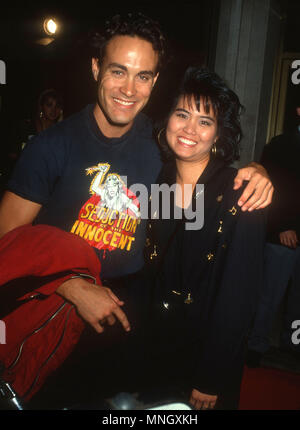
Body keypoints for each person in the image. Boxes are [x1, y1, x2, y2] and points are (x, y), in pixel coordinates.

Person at [0, 13, 273, 408]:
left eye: (143, 75)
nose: (129, 88)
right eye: (118, 71)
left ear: (155, 81)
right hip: (62, 311)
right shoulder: (51, 146)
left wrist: (259, 172)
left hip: (133, 327)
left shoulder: (159, 142)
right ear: (96, 69)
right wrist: (72, 287)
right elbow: (7, 241)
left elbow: (203, 161)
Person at [126, 67, 267, 410]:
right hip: (154, 351)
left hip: (204, 359)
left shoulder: (240, 192)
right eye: (182, 114)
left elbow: (239, 297)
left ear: (219, 134)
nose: (190, 129)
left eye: (205, 121)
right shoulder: (156, 182)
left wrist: (211, 376)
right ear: (167, 121)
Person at [247, 102, 300, 367]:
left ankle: (293, 344)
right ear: (299, 110)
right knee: (269, 293)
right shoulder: (280, 146)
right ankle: (255, 345)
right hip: (284, 235)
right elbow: (269, 190)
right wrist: (281, 226)